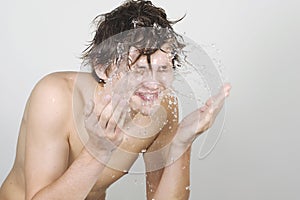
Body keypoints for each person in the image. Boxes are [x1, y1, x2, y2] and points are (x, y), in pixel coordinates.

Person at [0, 0, 231, 199]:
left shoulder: (162, 108)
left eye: (163, 68)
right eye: (139, 70)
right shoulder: (55, 97)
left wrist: (182, 143)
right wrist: (97, 152)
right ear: (103, 68)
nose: (154, 84)